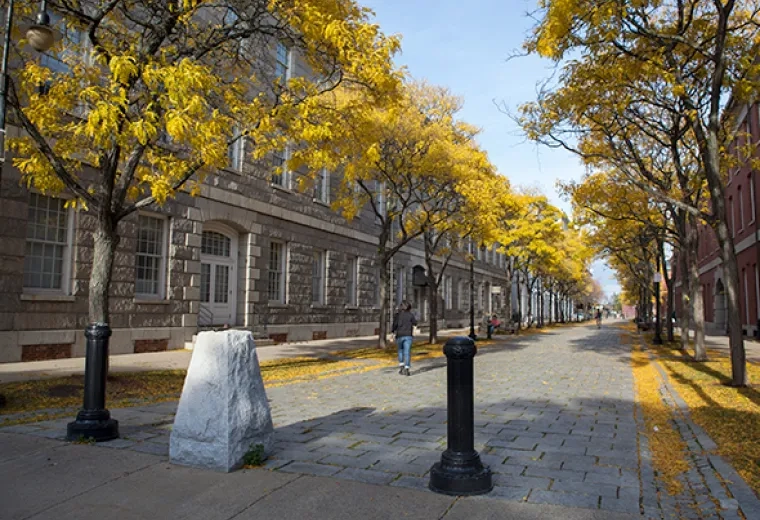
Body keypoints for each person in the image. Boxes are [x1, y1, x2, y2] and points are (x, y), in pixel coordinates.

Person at [392, 301, 417, 376]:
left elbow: (394, 325)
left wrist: (392, 333)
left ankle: (401, 367)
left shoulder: (398, 315)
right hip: (408, 335)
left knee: (400, 351)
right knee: (407, 352)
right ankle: (407, 368)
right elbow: (415, 323)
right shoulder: (410, 315)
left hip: (399, 335)